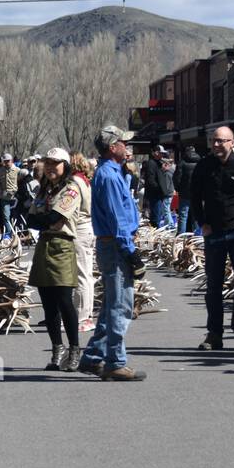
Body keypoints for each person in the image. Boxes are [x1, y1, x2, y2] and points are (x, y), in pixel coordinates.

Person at [78, 125, 145, 381]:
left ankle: (94, 356)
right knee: (120, 306)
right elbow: (118, 220)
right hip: (116, 245)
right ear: (112, 147)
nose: (126, 147)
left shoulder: (113, 173)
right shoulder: (109, 176)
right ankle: (115, 361)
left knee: (110, 306)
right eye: (122, 143)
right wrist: (131, 253)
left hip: (113, 244)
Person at [189, 126, 234, 351]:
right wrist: (202, 223)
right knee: (213, 286)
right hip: (215, 234)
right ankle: (214, 334)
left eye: (222, 141)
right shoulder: (204, 165)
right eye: (214, 141)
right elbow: (193, 196)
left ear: (232, 142)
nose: (217, 145)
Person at [25, 147, 84, 371]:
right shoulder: (43, 191)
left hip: (61, 246)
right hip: (43, 246)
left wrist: (44, 220)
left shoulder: (71, 190)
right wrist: (44, 221)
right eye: (47, 163)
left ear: (65, 166)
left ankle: (75, 349)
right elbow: (30, 219)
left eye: (55, 163)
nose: (50, 167)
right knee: (48, 305)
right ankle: (56, 349)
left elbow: (55, 218)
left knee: (64, 302)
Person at [69, 152, 96, 333]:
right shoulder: (85, 180)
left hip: (79, 228)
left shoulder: (74, 182)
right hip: (88, 227)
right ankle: (87, 314)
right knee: (86, 274)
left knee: (81, 275)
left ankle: (81, 317)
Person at [174, 145, 200, 234]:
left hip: (184, 193)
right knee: (196, 216)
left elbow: (177, 178)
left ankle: (181, 236)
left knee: (183, 215)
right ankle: (197, 236)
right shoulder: (199, 162)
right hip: (196, 193)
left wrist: (178, 188)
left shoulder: (182, 162)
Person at [0, 153, 19, 236]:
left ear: (11, 161)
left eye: (8, 161)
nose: (6, 163)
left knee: (15, 217)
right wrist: (0, 191)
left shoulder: (17, 170)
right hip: (4, 197)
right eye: (5, 161)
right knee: (6, 217)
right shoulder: (1, 171)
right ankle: (9, 234)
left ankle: (17, 233)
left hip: (15, 197)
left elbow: (21, 182)